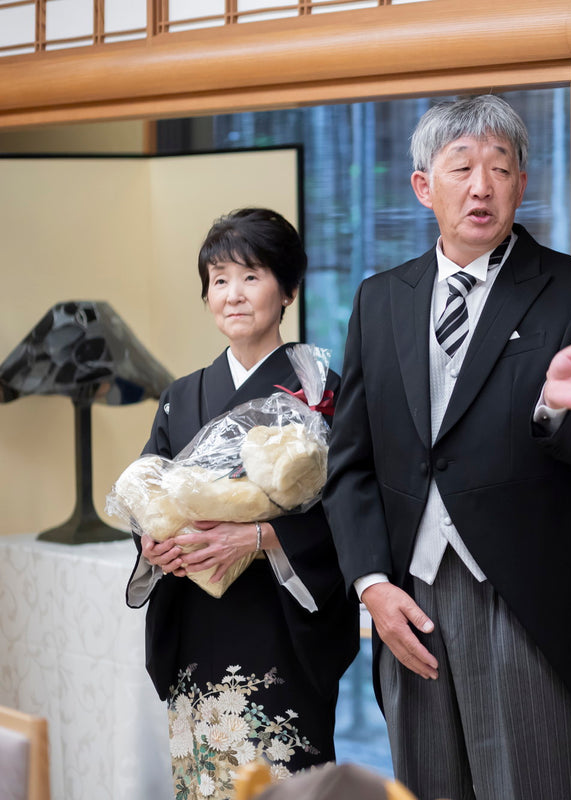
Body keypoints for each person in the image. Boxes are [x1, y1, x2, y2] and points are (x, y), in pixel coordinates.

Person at [323, 95, 571, 800]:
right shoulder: (381, 298)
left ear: (522, 184)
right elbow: (350, 463)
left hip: (524, 603)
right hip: (411, 596)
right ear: (422, 185)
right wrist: (373, 587)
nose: (481, 186)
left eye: (500, 168)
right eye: (461, 167)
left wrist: (553, 405)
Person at [125, 208, 360, 799]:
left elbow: (354, 503)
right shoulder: (182, 396)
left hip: (279, 630)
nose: (232, 295)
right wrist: (152, 545)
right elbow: (148, 493)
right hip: (197, 627)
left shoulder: (322, 391)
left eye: (251, 277)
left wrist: (261, 538)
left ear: (288, 290)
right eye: (219, 279)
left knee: (278, 784)